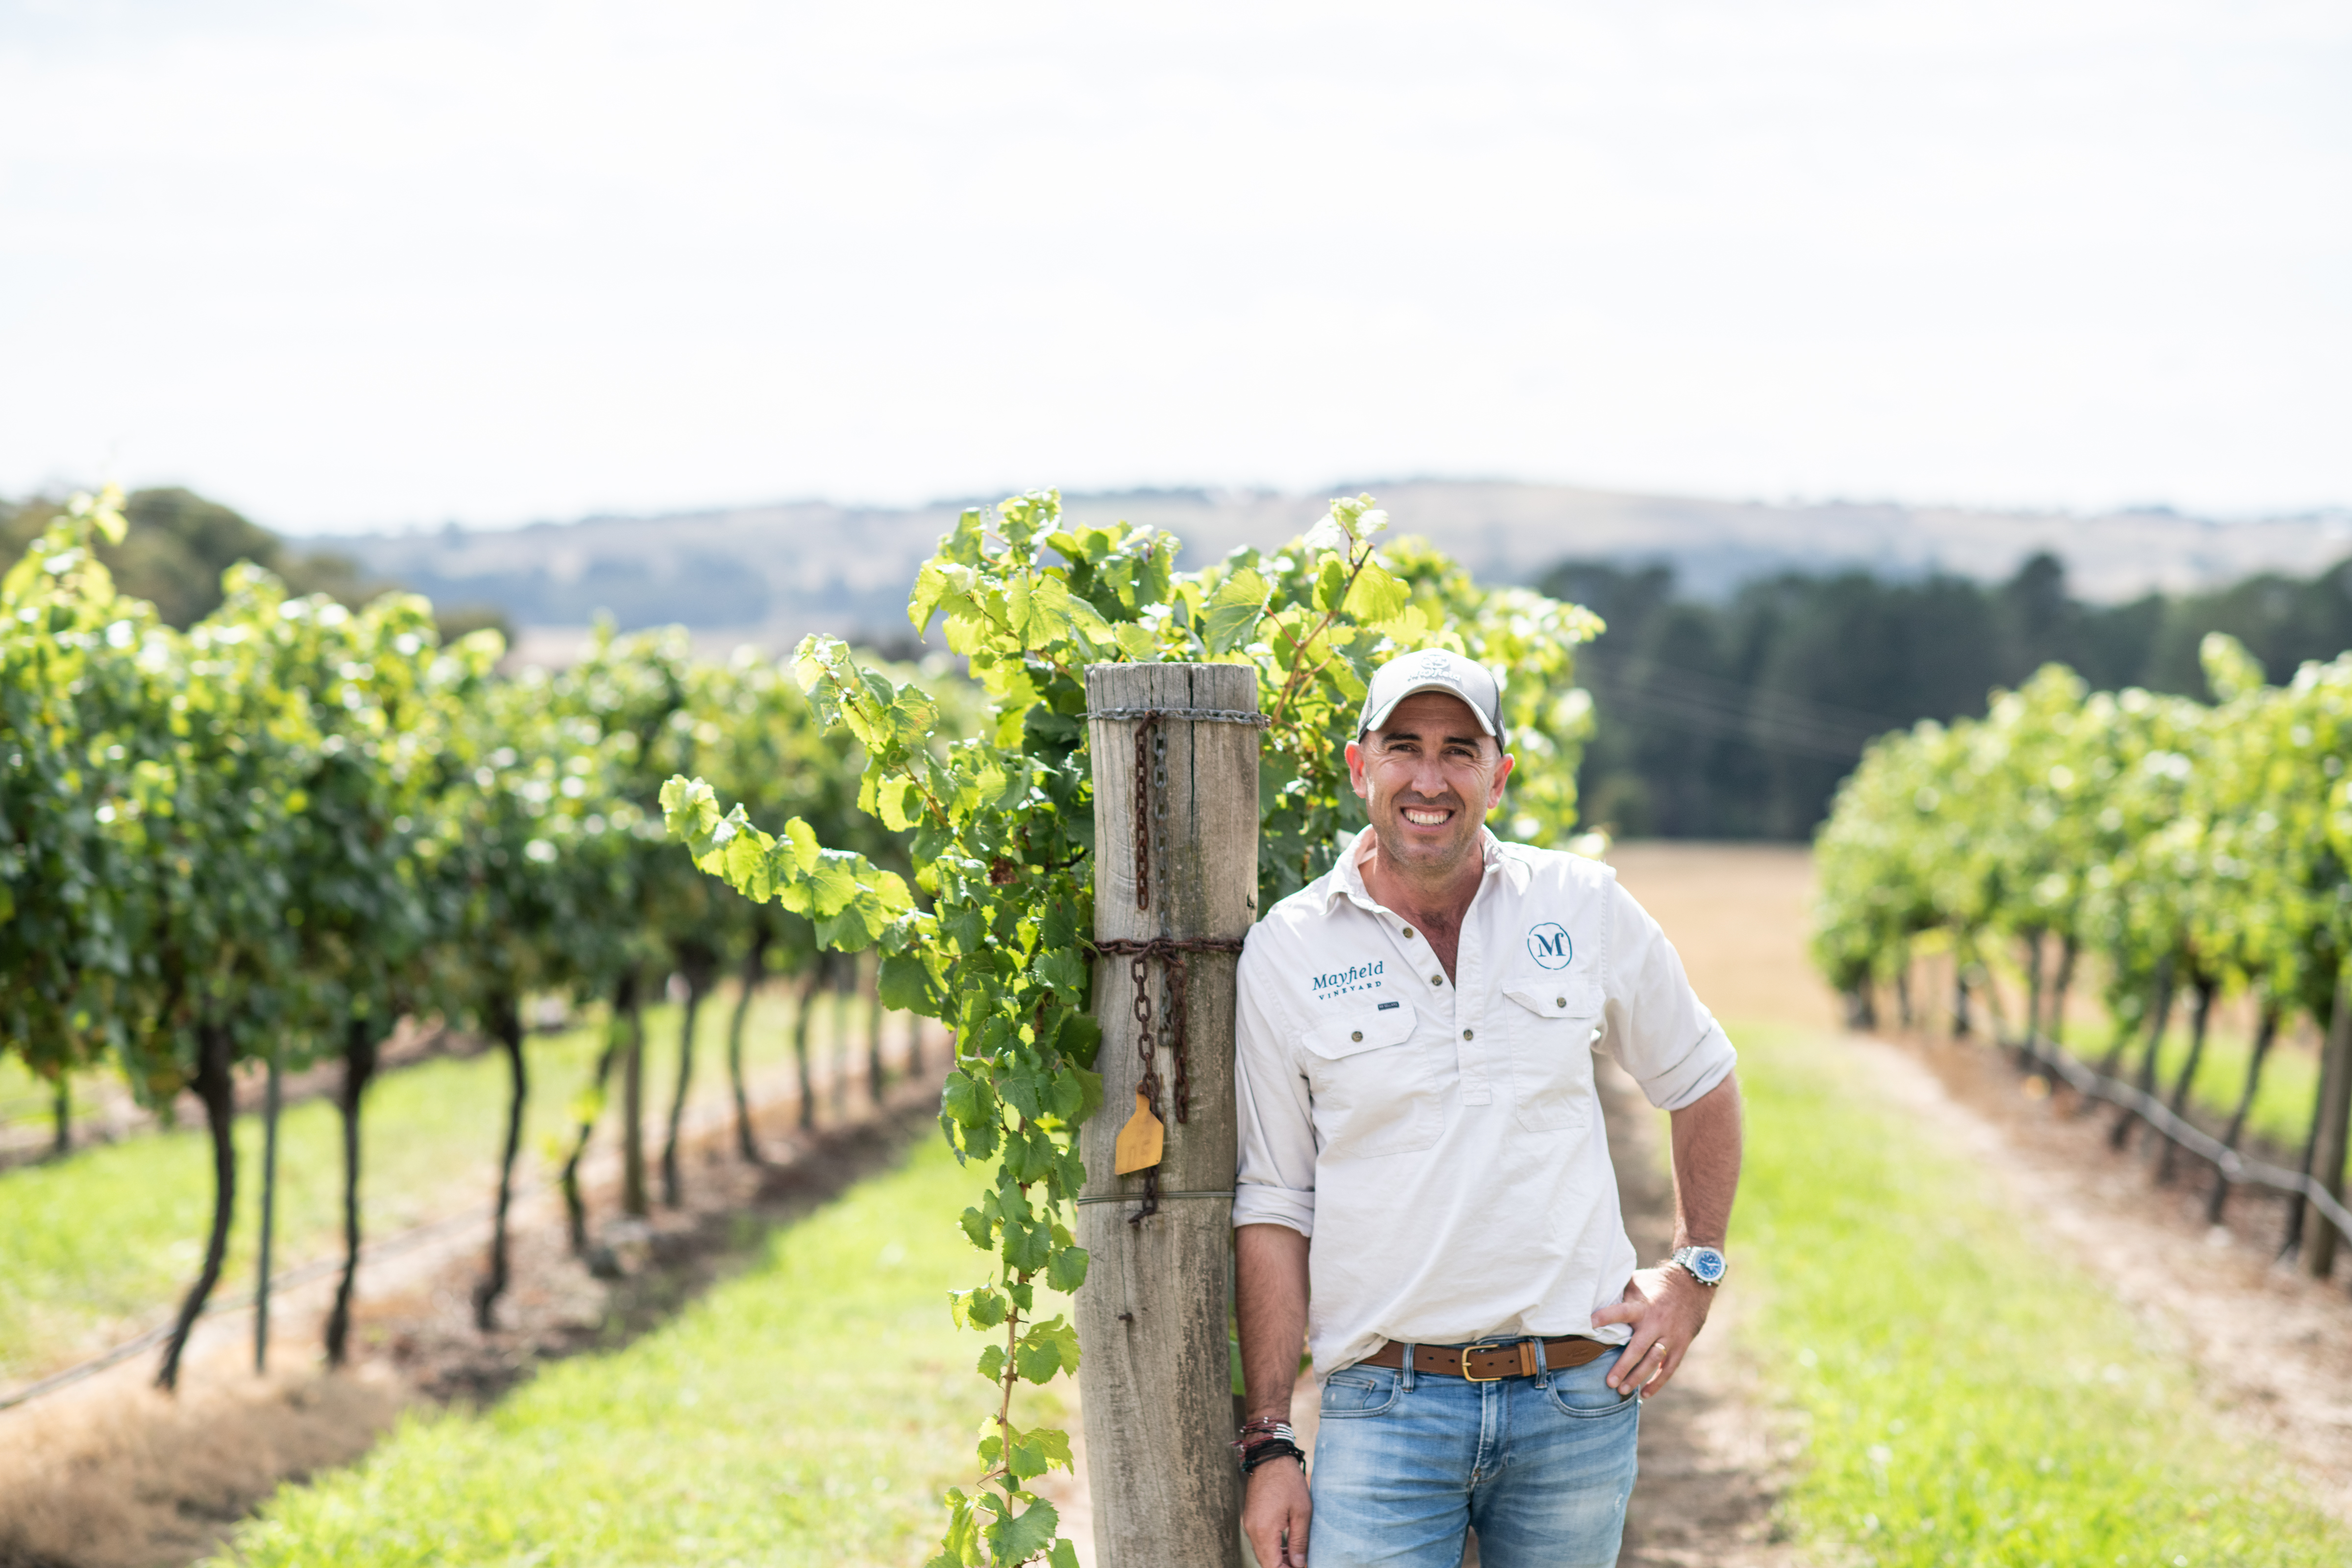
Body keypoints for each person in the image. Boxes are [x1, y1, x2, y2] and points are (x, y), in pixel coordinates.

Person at [1230, 648, 1742, 1568]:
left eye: (1459, 750)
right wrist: (1270, 1440)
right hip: (1385, 1409)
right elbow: (1273, 1202)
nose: (1430, 779)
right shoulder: (1287, 950)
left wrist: (1694, 1269)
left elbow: (1700, 1076)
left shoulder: (1583, 905)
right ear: (1360, 767)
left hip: (1577, 1401)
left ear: (1498, 777)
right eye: (1404, 747)